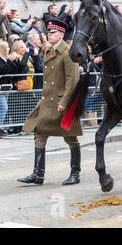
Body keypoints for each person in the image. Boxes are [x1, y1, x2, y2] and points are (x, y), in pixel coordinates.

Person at [18, 18, 82, 186]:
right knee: (39, 132)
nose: (49, 34)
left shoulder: (67, 53)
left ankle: (75, 173)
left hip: (62, 101)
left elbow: (72, 80)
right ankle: (38, 174)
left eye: (52, 32)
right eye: (49, 32)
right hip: (48, 100)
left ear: (60, 34)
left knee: (70, 137)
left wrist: (65, 101)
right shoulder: (49, 50)